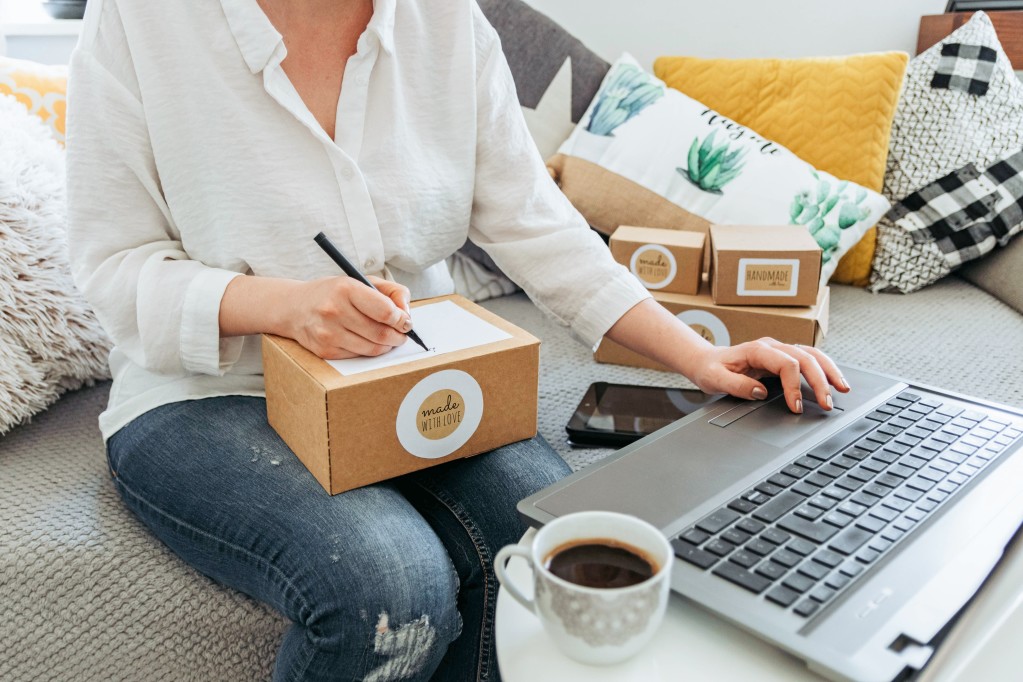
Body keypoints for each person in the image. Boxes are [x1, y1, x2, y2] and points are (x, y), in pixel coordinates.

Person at [66, 0, 849, 680]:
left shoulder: (445, 18)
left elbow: (531, 219)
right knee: (390, 585)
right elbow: (112, 267)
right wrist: (282, 306)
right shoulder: (138, 19)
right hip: (211, 395)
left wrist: (696, 354)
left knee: (533, 540)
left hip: (409, 373)